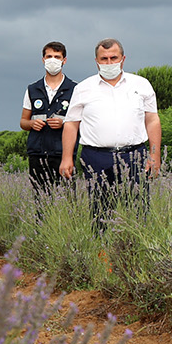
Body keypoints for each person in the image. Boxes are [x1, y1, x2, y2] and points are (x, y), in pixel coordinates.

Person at [60, 38, 160, 232]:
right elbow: (71, 124)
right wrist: (66, 158)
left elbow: (152, 120)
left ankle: (134, 255)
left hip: (134, 155)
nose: (109, 63)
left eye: (113, 58)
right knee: (100, 210)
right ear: (96, 61)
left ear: (123, 59)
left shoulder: (141, 84)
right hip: (96, 156)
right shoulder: (83, 88)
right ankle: (102, 256)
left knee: (139, 208)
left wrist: (154, 155)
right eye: (103, 59)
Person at [21, 41, 77, 221]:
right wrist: (31, 124)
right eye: (49, 56)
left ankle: (69, 236)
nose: (53, 60)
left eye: (57, 57)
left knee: (69, 201)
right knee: (41, 201)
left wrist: (64, 123)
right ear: (43, 59)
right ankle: (41, 237)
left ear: (64, 60)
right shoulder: (32, 89)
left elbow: (81, 122)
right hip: (37, 152)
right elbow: (23, 121)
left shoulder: (75, 89)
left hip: (63, 153)